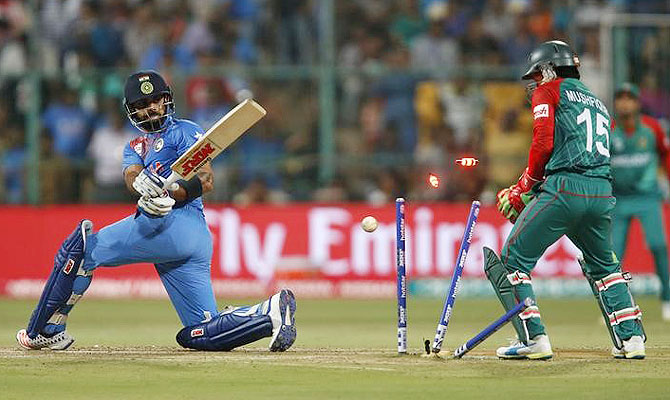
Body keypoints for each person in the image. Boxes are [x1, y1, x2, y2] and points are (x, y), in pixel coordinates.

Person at [16, 70, 297, 352]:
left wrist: (172, 194)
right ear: (131, 111)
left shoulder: (185, 131)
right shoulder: (135, 146)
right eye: (141, 104)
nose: (150, 108)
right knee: (200, 333)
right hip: (189, 241)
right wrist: (142, 184)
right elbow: (131, 174)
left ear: (166, 101)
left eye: (155, 100)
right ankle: (269, 312)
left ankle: (45, 330)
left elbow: (205, 179)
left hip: (170, 225)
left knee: (80, 251)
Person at [490, 40, 646, 360]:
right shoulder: (597, 102)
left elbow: (543, 143)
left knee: (512, 261)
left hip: (565, 190)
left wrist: (523, 187)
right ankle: (632, 340)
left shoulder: (549, 91)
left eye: (537, 75)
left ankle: (534, 339)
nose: (534, 83)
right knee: (605, 266)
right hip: (602, 191)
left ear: (550, 69)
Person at [610, 82, 670, 321]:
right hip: (619, 199)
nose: (625, 103)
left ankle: (667, 298)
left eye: (629, 98)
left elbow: (665, 155)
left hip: (647, 197)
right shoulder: (610, 129)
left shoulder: (652, 128)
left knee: (658, 246)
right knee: (614, 254)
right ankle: (616, 304)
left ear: (637, 103)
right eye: (620, 98)